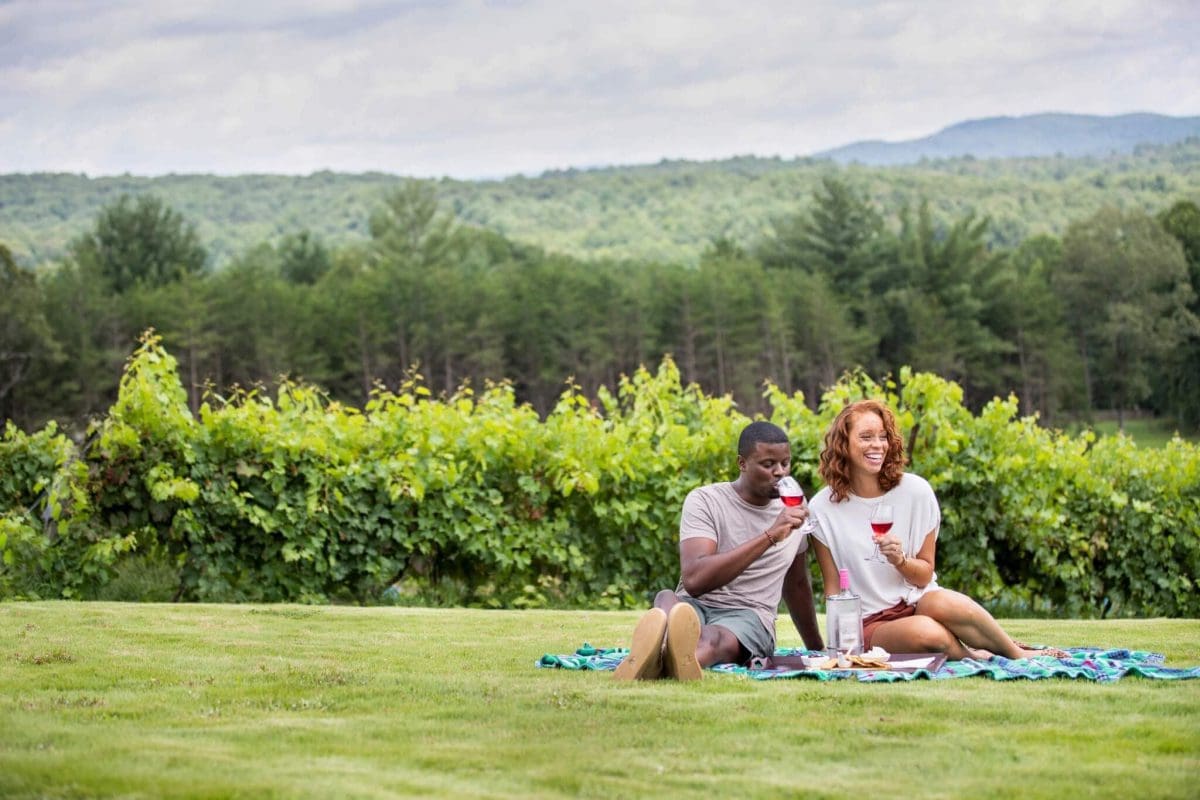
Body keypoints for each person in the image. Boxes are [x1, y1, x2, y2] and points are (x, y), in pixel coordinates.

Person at [808, 399, 1067, 661]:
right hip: (870, 621)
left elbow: (923, 576)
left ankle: (1017, 653)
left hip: (918, 599)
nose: (877, 445)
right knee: (928, 634)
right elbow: (833, 588)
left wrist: (900, 560)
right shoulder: (823, 508)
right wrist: (839, 643)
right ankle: (977, 657)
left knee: (947, 603)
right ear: (843, 445)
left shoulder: (916, 492)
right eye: (866, 437)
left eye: (883, 436)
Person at [613, 421, 825, 681]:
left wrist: (817, 649)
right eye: (768, 464)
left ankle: (654, 657)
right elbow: (694, 582)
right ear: (742, 463)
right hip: (694, 605)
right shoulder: (705, 501)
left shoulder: (795, 508)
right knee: (666, 598)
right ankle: (671, 655)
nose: (780, 472)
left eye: (785, 463)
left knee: (712, 638)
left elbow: (797, 583)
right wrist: (770, 536)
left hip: (748, 616)